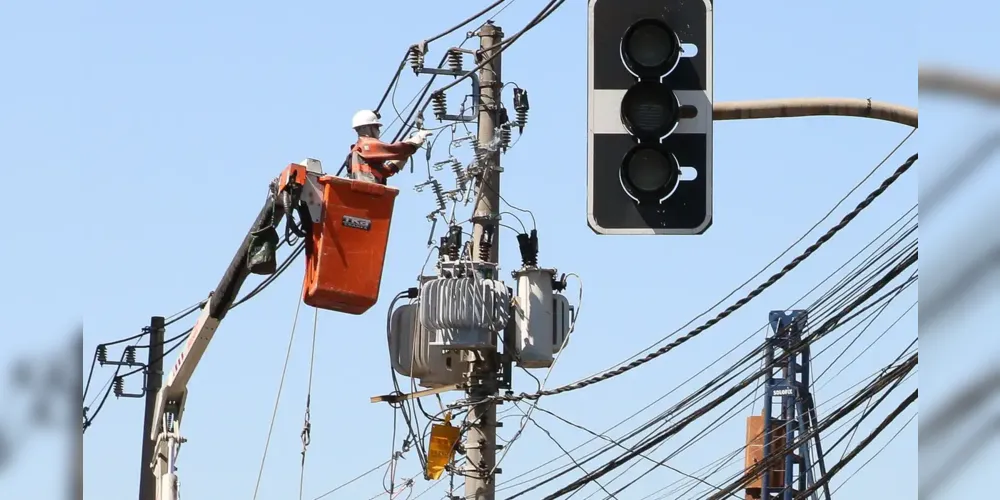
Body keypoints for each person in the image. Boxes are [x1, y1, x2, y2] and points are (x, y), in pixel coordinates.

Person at [349, 109, 432, 184]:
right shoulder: (366, 145)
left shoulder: (358, 152)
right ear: (366, 128)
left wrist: (403, 156)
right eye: (376, 127)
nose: (379, 131)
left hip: (368, 195)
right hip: (368, 192)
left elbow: (386, 171)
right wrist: (419, 137)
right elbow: (399, 150)